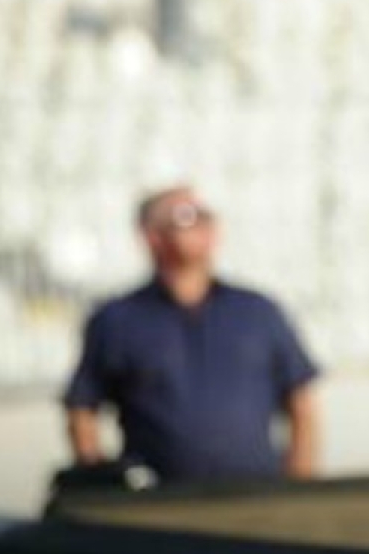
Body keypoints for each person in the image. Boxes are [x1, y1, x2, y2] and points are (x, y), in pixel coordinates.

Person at [62, 186, 320, 483]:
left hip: (256, 493)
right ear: (151, 236)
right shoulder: (117, 320)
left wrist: (299, 486)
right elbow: (82, 408)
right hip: (160, 499)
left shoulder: (258, 312)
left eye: (206, 217)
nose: (201, 226)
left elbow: (302, 403)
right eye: (186, 217)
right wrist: (101, 484)